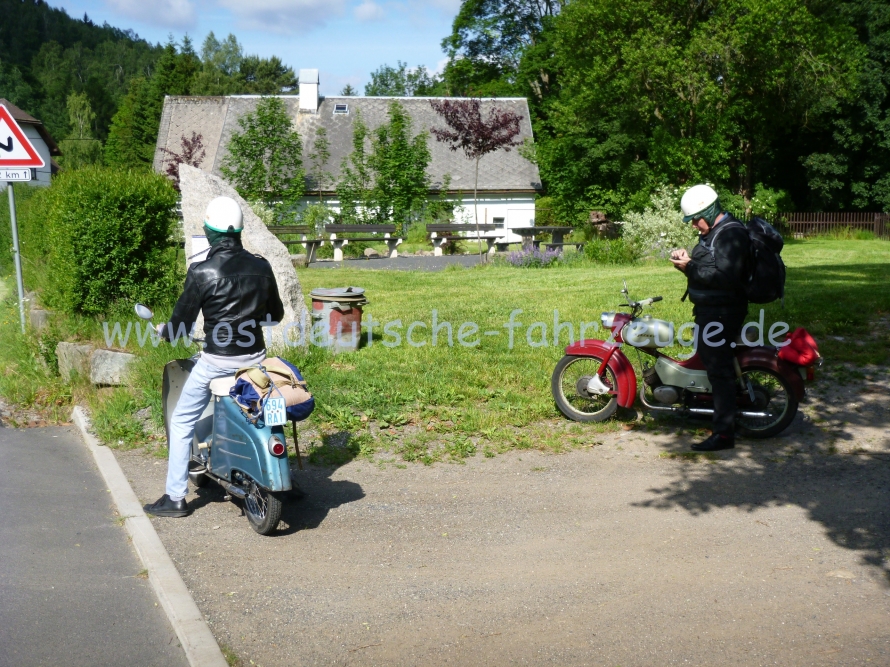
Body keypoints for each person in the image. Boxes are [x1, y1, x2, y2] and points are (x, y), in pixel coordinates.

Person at [144, 196, 284, 517]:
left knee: (181, 420)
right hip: (255, 358)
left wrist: (164, 331)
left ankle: (175, 498)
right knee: (262, 410)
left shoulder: (201, 271)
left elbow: (180, 327)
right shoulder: (262, 267)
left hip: (217, 360)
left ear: (209, 232)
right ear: (238, 232)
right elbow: (275, 315)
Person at [669, 184, 750, 452]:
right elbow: (708, 271)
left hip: (723, 313)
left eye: (695, 218)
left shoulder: (730, 235)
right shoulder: (715, 234)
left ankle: (724, 434)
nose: (693, 225)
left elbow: (725, 279)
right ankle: (706, 407)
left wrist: (689, 266)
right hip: (711, 311)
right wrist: (687, 265)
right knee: (711, 363)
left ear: (710, 210)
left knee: (719, 370)